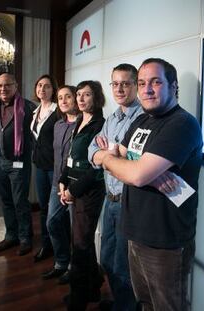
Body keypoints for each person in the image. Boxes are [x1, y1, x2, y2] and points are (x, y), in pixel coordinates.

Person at [96, 58, 203, 311]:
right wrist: (118, 161)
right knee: (144, 303)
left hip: (166, 241)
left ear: (173, 86)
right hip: (135, 231)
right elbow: (118, 157)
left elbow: (136, 174)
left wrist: (113, 160)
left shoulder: (181, 124)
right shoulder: (142, 121)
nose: (147, 89)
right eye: (142, 83)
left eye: (156, 82)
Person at [88, 63, 143, 310]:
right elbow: (92, 150)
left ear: (136, 85)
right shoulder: (112, 118)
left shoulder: (144, 119)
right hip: (108, 199)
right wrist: (110, 155)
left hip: (128, 202)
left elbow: (134, 162)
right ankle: (118, 302)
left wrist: (106, 155)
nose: (119, 88)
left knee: (123, 266)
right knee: (107, 259)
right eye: (115, 83)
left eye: (125, 83)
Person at [58, 80, 106, 310]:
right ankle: (94, 286)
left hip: (89, 192)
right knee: (84, 243)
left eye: (86, 95)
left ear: (96, 98)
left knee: (79, 246)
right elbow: (71, 156)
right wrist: (61, 181)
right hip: (73, 189)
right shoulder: (79, 120)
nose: (80, 99)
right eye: (78, 94)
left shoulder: (100, 124)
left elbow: (95, 168)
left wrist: (72, 190)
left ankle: (78, 299)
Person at [0, 73, 35, 256]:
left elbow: (37, 133)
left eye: (7, 85)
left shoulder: (27, 107)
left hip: (18, 162)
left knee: (20, 201)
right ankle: (11, 235)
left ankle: (25, 237)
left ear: (16, 85)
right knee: (6, 200)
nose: (3, 89)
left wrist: (27, 150)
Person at [41, 85, 79, 282]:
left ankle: (74, 268)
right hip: (57, 183)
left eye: (68, 97)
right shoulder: (58, 125)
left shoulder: (83, 126)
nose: (63, 101)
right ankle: (61, 262)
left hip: (75, 187)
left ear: (76, 99)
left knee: (76, 231)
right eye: (60, 97)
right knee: (52, 222)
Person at [30, 74, 59, 262]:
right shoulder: (36, 111)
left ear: (53, 90)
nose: (42, 89)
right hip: (40, 166)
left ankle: (60, 250)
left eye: (47, 86)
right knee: (43, 207)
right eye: (39, 85)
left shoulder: (58, 111)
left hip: (55, 167)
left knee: (56, 211)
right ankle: (46, 245)